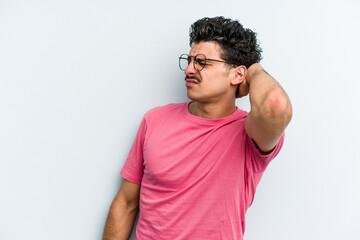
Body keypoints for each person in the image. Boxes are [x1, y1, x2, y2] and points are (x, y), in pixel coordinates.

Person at [103, 16, 292, 240]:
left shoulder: (250, 134)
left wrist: (254, 70)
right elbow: (126, 203)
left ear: (238, 74)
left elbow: (275, 105)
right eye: (189, 60)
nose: (189, 70)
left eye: (202, 62)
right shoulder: (154, 119)